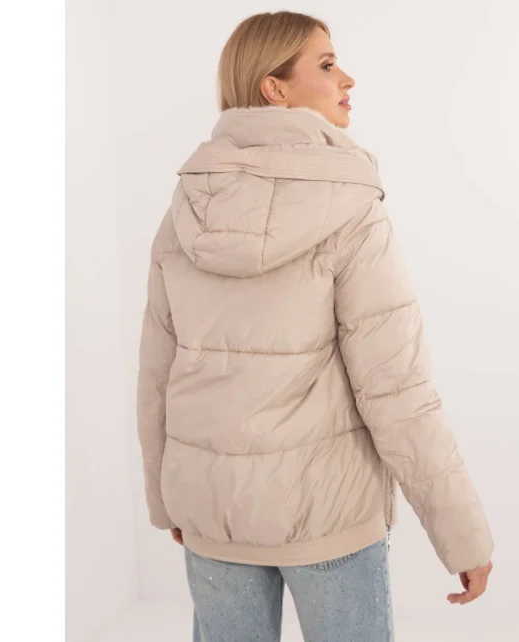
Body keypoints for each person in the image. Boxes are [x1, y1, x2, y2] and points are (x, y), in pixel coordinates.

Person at [136, 10, 494, 641]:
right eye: (327, 65)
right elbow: (397, 389)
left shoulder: (187, 208)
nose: (347, 78)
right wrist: (460, 533)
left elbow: (156, 376)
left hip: (213, 512)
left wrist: (169, 501)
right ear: (275, 88)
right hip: (327, 518)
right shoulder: (352, 205)